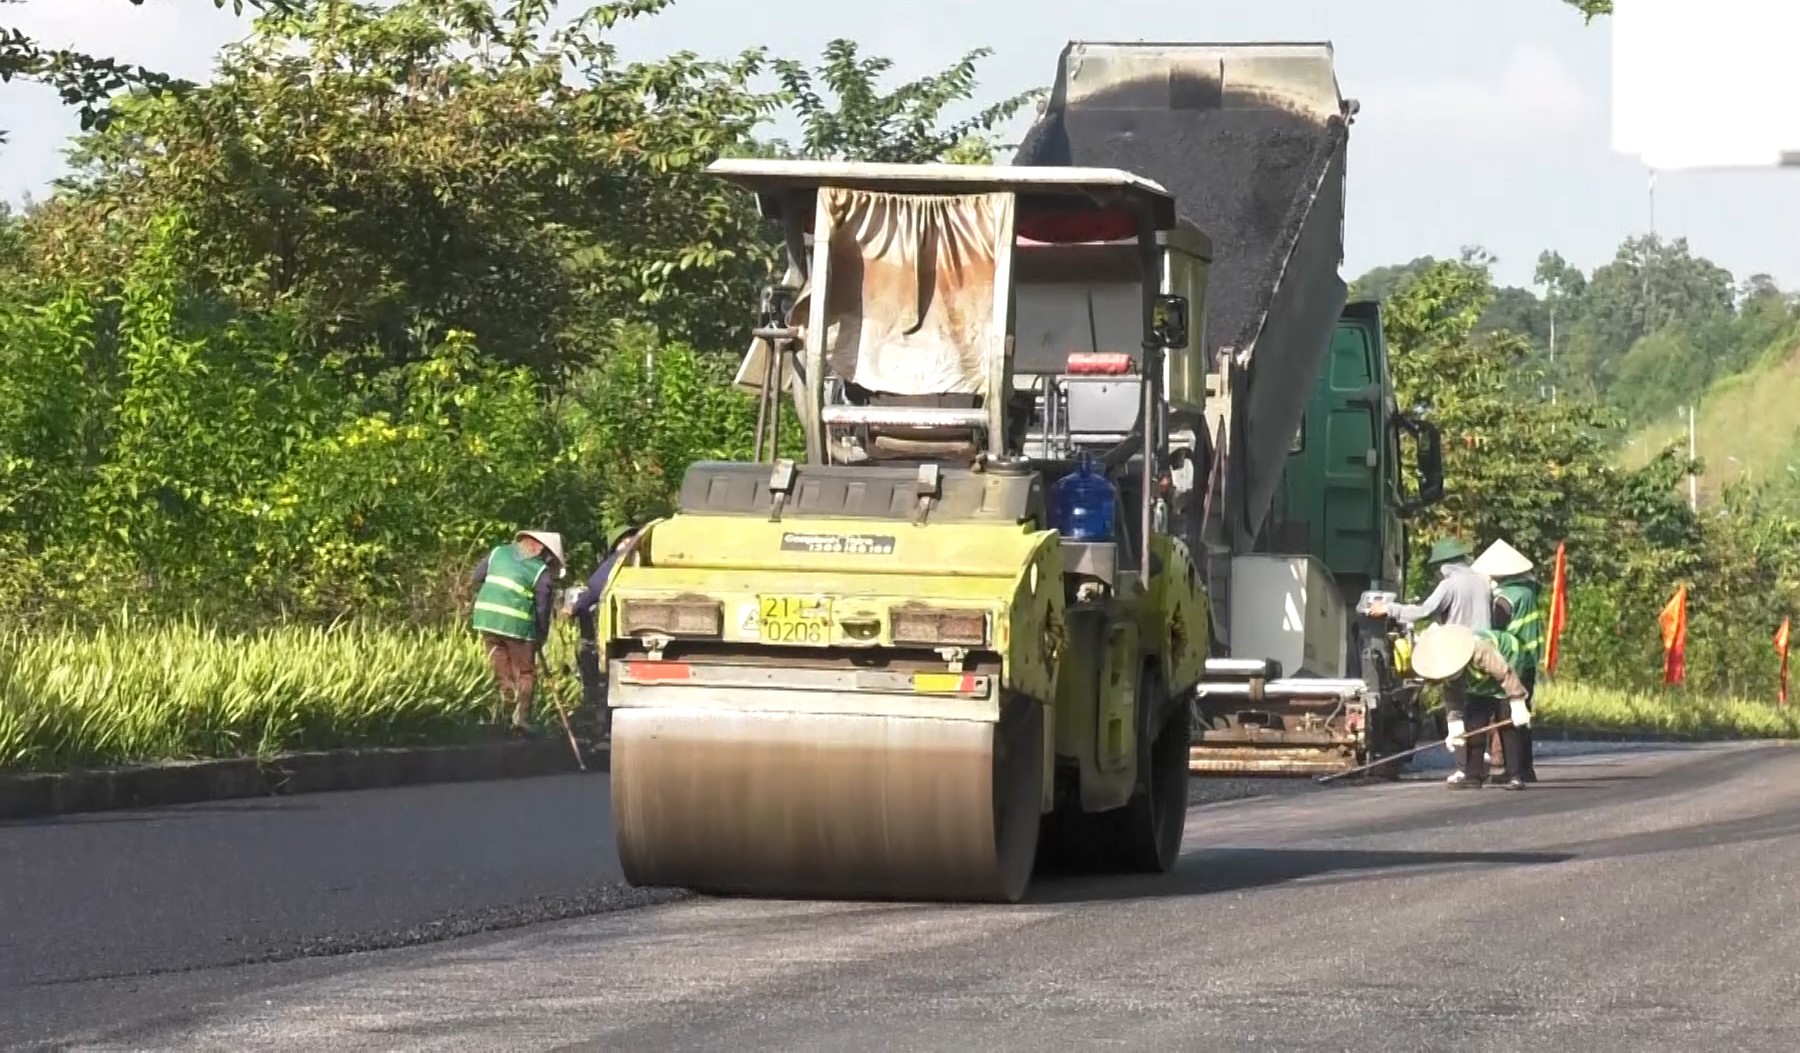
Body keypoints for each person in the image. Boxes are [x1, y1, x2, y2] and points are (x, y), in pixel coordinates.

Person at [1365, 537, 1494, 786]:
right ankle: (1481, 759)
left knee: (1455, 708)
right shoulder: (1482, 581)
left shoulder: (1449, 584)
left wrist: (1389, 609)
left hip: (1458, 651)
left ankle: (1464, 768)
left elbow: (1424, 611)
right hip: (1484, 650)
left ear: (1445, 565)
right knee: (1478, 708)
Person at [1410, 623, 1533, 790]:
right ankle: (1473, 775)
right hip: (1483, 681)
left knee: (1507, 719)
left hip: (1509, 660)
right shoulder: (1447, 666)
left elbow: (1505, 673)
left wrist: (1517, 701)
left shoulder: (1479, 649)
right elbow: (1453, 698)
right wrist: (1455, 727)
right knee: (1474, 722)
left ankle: (1515, 775)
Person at [471, 529, 566, 736]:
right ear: (542, 550)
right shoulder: (540, 571)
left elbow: (477, 577)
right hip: (517, 625)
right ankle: (521, 719)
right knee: (525, 673)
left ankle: (505, 713)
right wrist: (540, 636)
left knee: (501, 668)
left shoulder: (498, 552)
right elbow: (542, 609)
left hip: (487, 619)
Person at [565, 526, 647, 737]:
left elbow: (594, 588)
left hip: (620, 636)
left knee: (606, 679)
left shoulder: (617, 562)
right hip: (647, 635)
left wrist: (575, 608)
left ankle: (604, 724)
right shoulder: (649, 560)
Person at [1474, 538, 1544, 782]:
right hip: (1530, 659)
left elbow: (1497, 626)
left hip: (1513, 660)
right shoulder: (1529, 590)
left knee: (1508, 715)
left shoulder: (1506, 598)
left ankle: (1515, 771)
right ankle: (1526, 768)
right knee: (1523, 714)